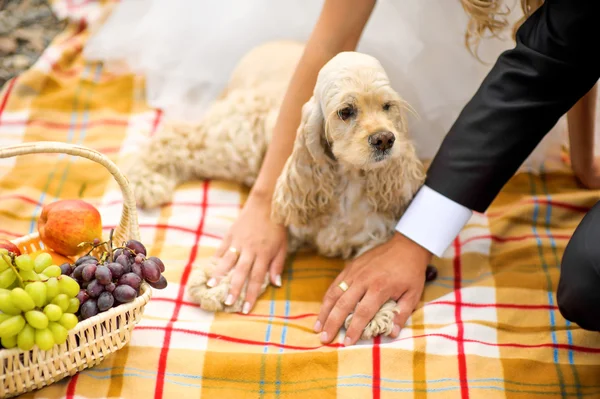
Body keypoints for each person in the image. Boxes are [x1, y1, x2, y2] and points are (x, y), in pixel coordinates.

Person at [84, 0, 599, 345]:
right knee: (262, 124)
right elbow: (327, 55)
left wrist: (581, 154)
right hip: (362, 59)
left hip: (479, 60)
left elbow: (568, 39)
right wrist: (266, 201)